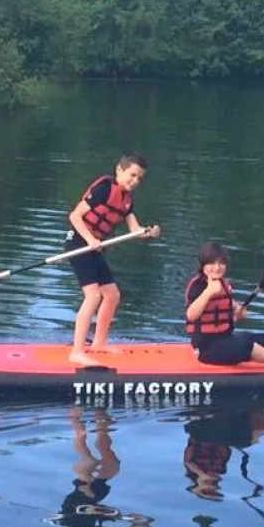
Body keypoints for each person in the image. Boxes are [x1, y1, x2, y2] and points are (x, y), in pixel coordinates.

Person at [66, 152, 160, 366]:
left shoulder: (127, 200)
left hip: (95, 248)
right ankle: (77, 352)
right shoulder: (104, 188)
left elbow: (135, 230)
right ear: (120, 170)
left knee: (112, 295)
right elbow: (75, 216)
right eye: (132, 175)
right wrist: (90, 239)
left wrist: (149, 232)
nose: (135, 181)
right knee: (93, 296)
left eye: (139, 178)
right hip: (79, 244)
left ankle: (98, 343)